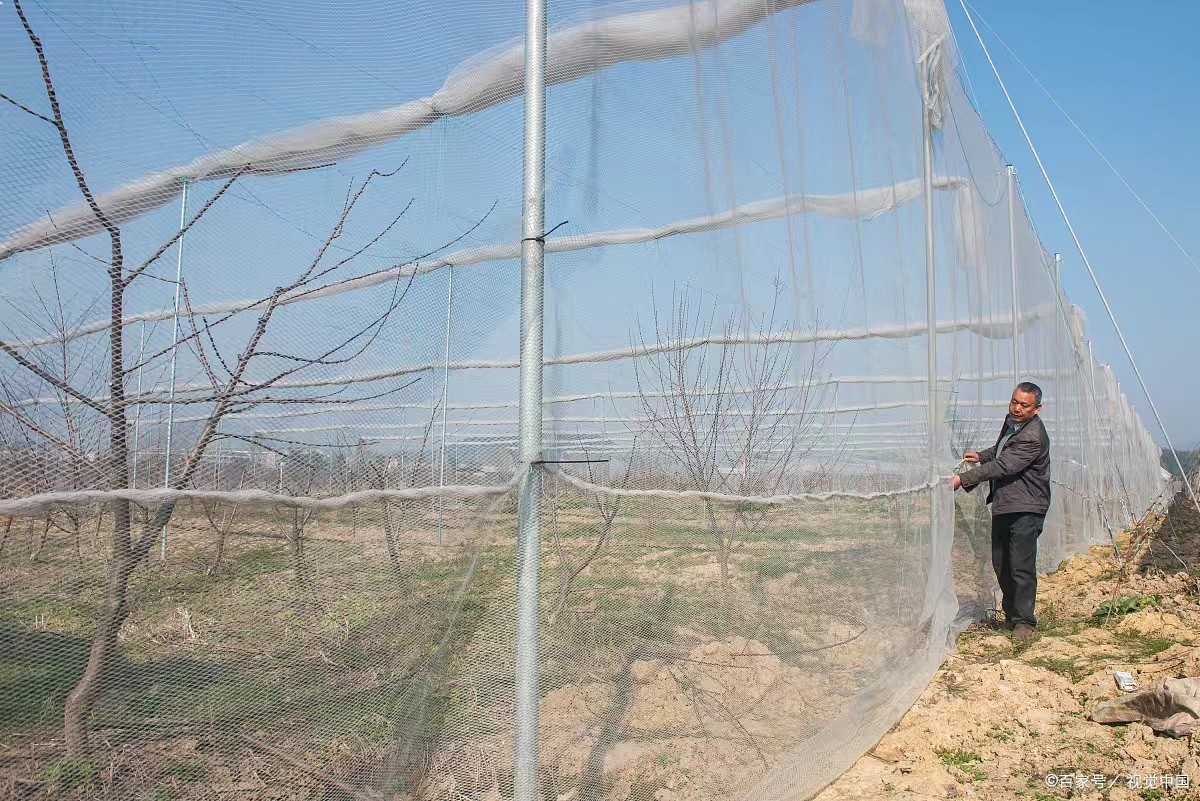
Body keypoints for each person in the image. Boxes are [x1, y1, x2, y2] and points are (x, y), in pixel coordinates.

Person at [952, 382, 1051, 642]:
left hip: (1027, 506)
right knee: (1001, 561)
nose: (1017, 408)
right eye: (1014, 402)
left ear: (1037, 409)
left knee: (1020, 565)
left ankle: (1025, 622)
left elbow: (1006, 465)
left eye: (1024, 405)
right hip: (1006, 503)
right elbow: (1001, 449)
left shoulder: (1033, 436)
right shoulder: (1011, 422)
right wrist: (982, 456)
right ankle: (1011, 615)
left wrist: (964, 479)